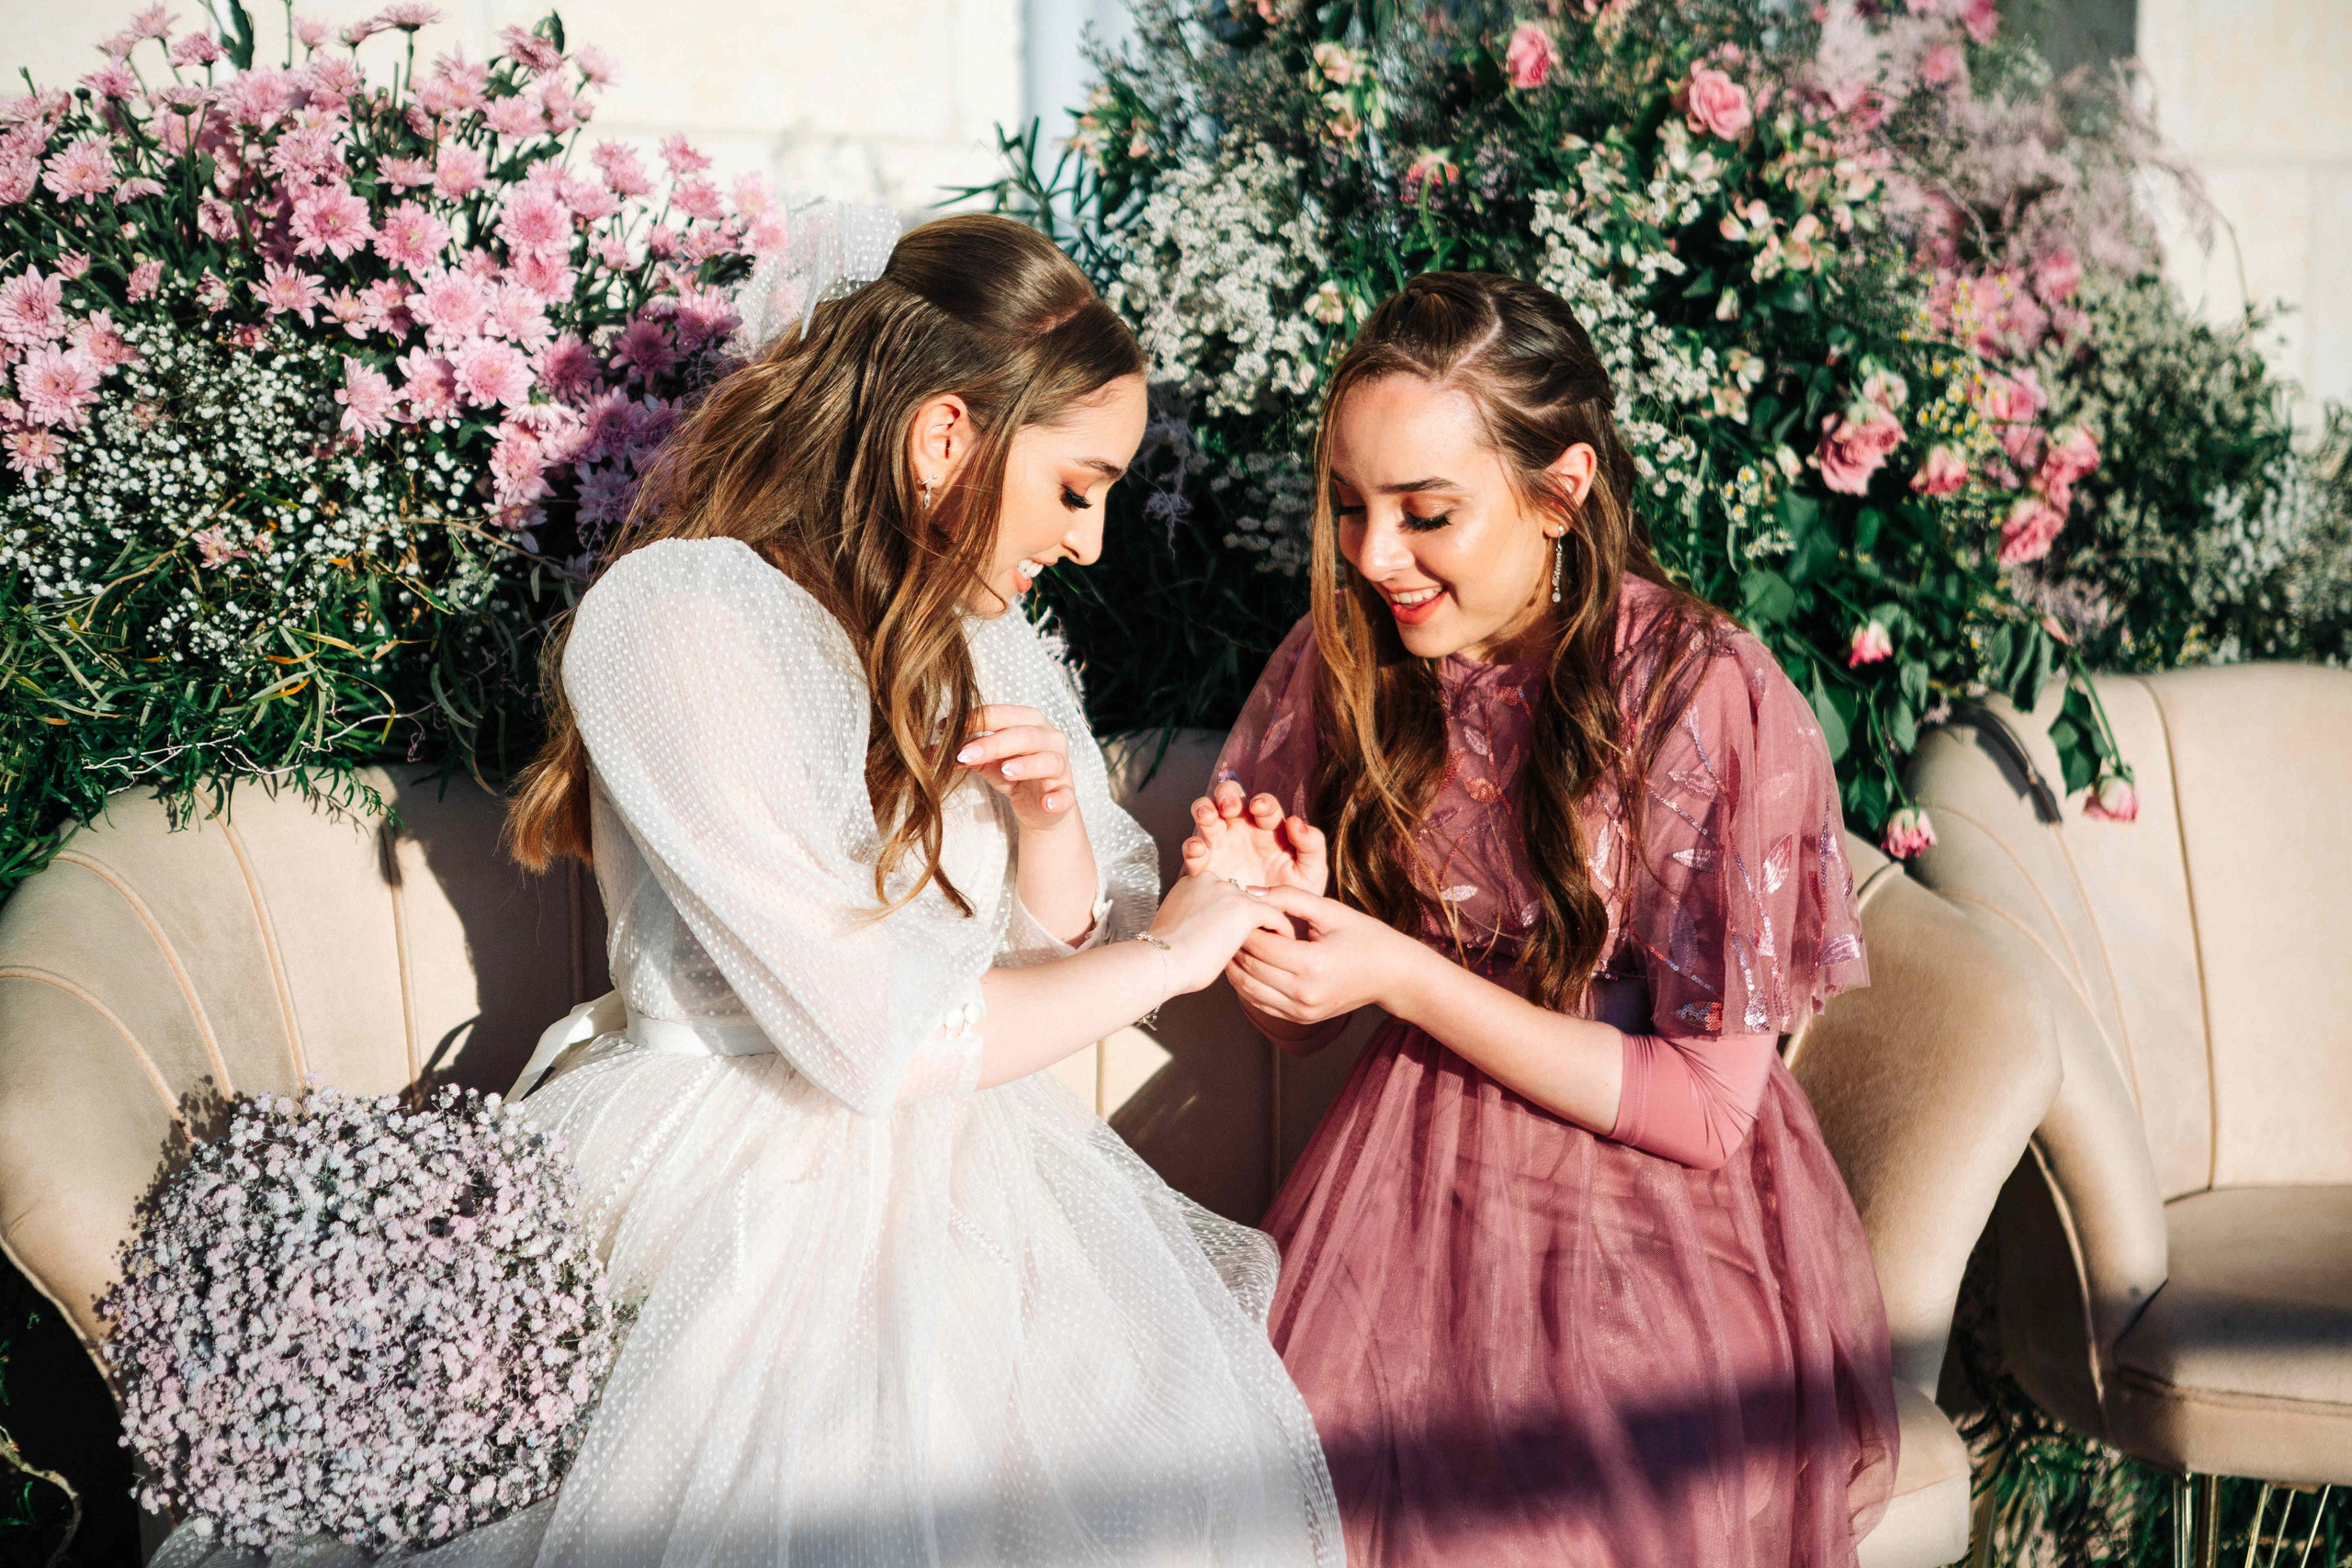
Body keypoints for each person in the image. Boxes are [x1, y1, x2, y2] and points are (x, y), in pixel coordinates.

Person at [150, 212, 1340, 1568]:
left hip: (984, 1186)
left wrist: (1051, 821)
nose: (1090, 542)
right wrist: (1174, 957)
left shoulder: (982, 634)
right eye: (1076, 487)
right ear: (945, 435)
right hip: (733, 1189)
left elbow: (1046, 952)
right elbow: (870, 1034)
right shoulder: (684, 618)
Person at [1186, 271, 1899, 1566]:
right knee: (1284, 1494)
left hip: (1657, 1226)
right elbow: (1305, 1026)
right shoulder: (1348, 661)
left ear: (1561, 491)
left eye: (1426, 513)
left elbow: (1705, 1112)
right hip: (1403, 1192)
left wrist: (1401, 975)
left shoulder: (1699, 691)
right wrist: (1273, 925)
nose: (1372, 556)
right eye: (1348, 505)